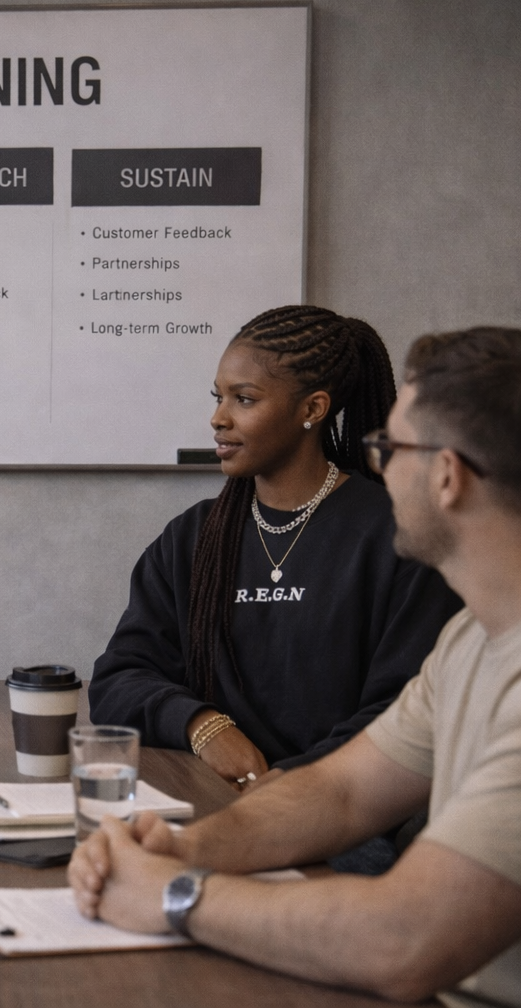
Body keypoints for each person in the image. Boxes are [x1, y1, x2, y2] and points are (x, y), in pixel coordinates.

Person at [69, 326, 521, 1004]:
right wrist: (180, 850)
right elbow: (340, 793)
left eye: (389, 447)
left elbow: (404, 940)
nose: (377, 465)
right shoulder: (468, 643)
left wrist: (175, 894)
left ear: (448, 476)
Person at [90, 306, 461, 801]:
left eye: (244, 399)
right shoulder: (192, 538)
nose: (218, 418)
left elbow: (405, 713)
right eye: (218, 397)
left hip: (346, 814)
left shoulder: (398, 534)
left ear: (312, 409)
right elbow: (119, 678)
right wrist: (204, 726)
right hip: (206, 798)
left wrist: (283, 793)